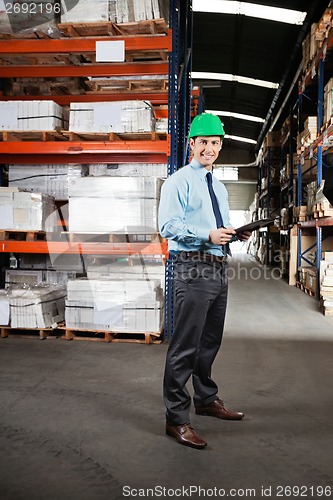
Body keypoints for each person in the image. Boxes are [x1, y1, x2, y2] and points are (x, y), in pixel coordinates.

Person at [158, 112, 252, 449]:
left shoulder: (220, 186)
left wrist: (232, 235)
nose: (210, 148)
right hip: (191, 267)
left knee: (209, 341)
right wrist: (206, 235)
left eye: (215, 142)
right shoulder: (178, 181)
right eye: (204, 142)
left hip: (217, 267)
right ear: (192, 144)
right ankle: (176, 419)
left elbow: (218, 228)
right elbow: (167, 226)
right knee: (185, 345)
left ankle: (206, 399)